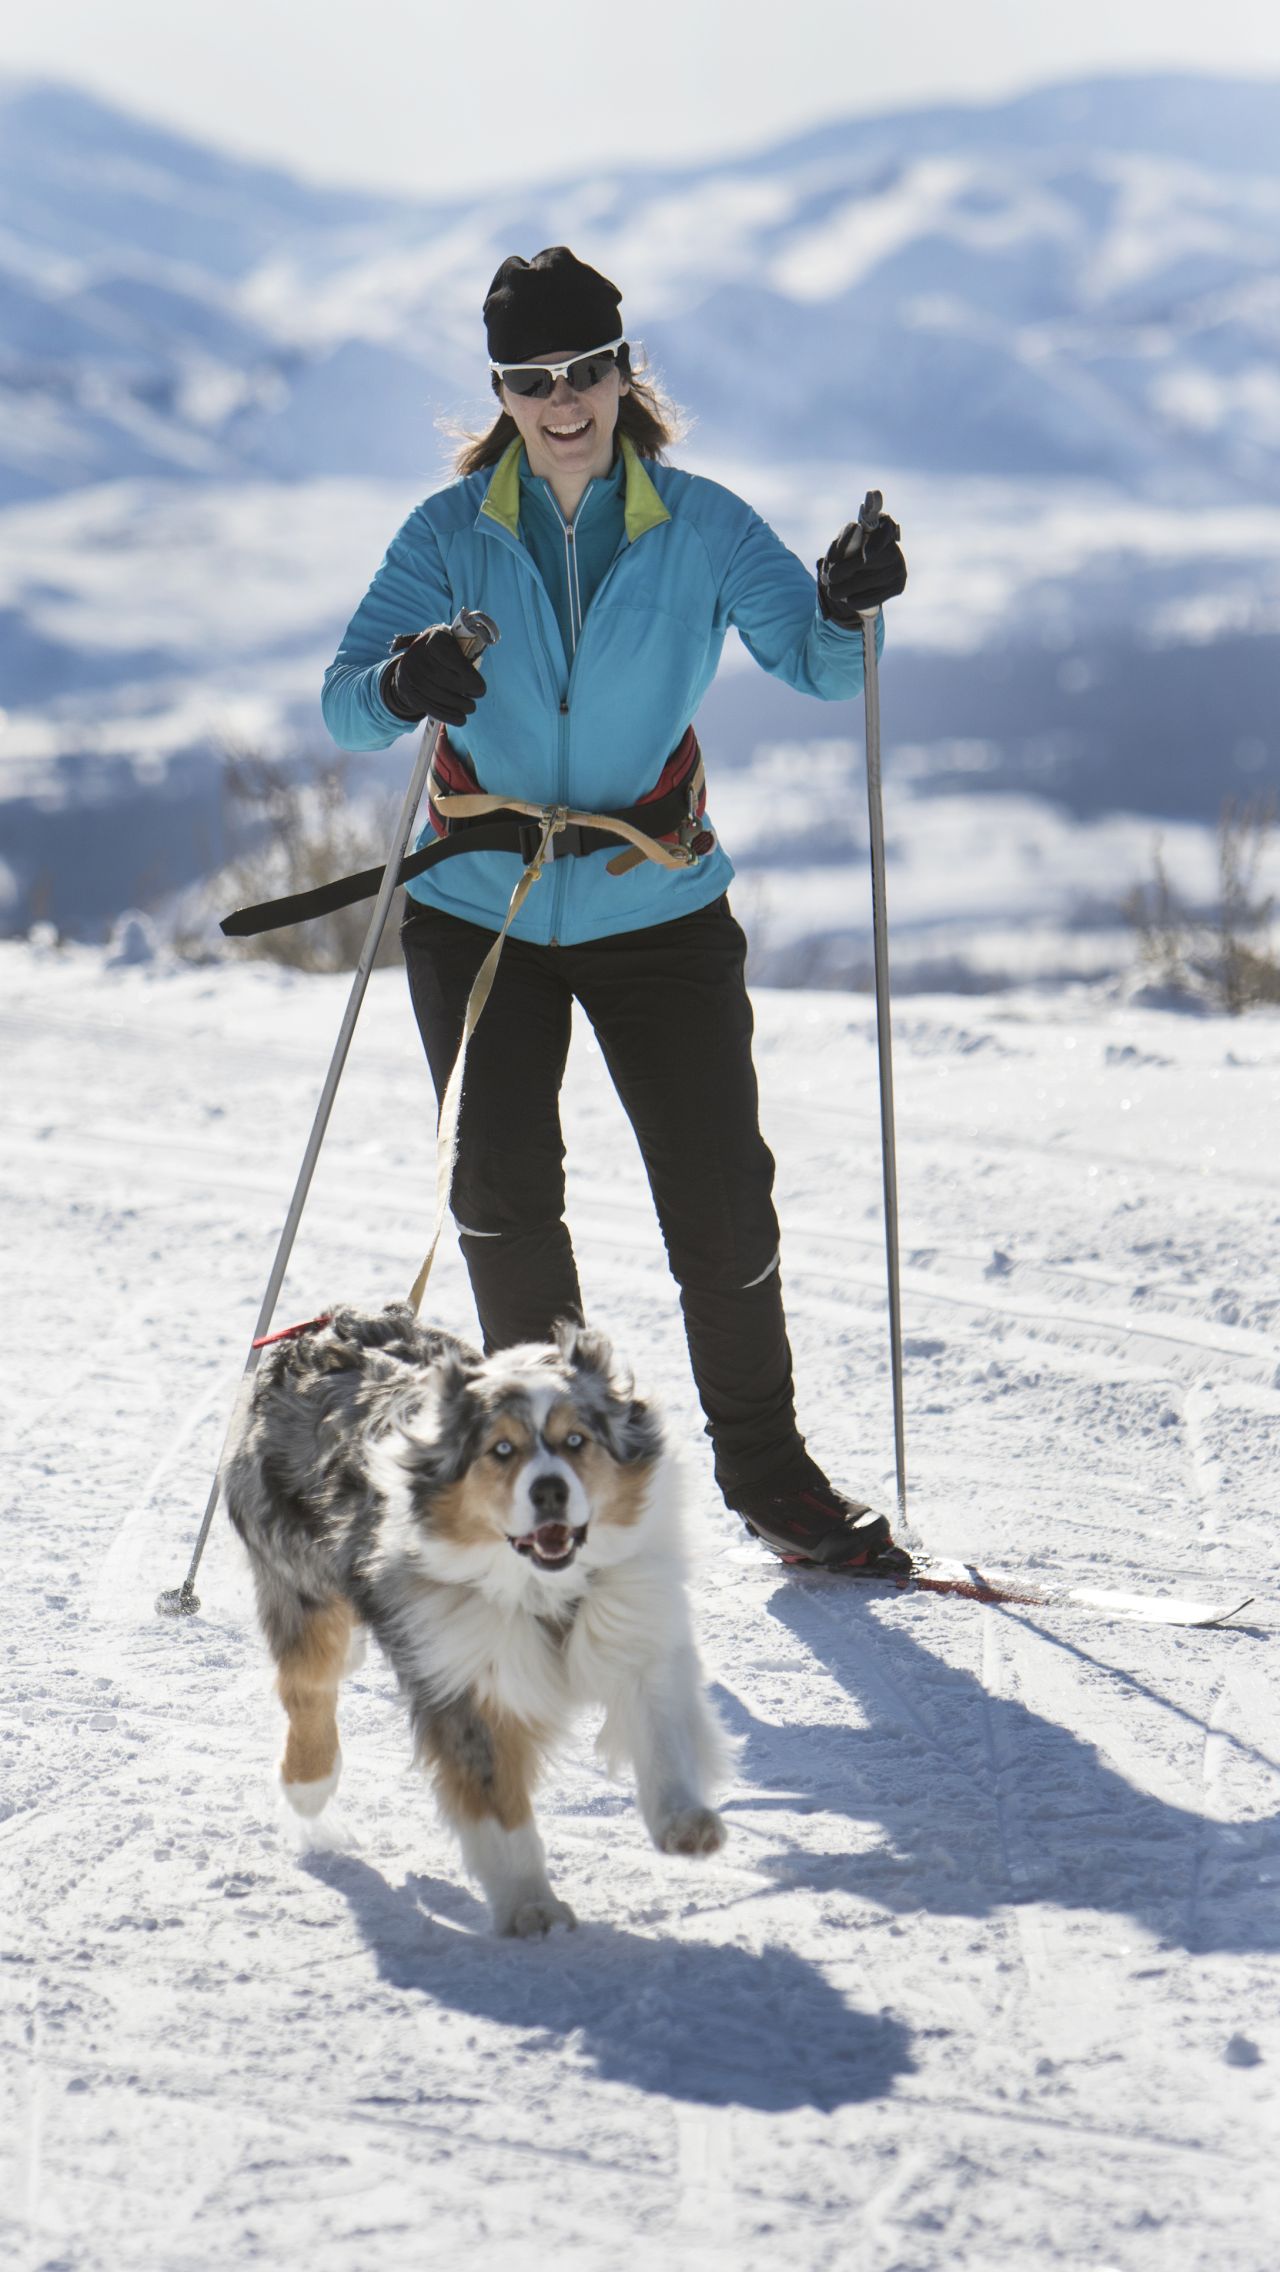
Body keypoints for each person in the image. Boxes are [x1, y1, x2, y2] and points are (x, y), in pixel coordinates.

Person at [322, 246, 908, 1572]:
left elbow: (818, 667)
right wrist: (406, 677)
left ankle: (771, 1476)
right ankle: (554, 1487)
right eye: (531, 378)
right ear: (503, 392)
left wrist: (852, 603)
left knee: (719, 1201)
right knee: (503, 1198)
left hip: (656, 901)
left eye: (585, 367)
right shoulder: (448, 531)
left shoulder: (697, 522)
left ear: (621, 370)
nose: (562, 396)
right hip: (482, 905)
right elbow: (344, 698)